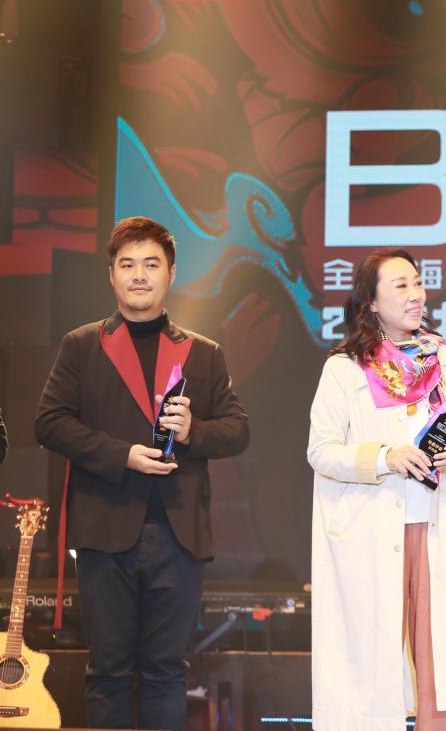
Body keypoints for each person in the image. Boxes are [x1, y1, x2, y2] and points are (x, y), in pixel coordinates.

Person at [34, 216, 249, 730]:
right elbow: (49, 422)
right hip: (104, 531)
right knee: (108, 671)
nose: (138, 276)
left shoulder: (203, 352)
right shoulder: (82, 345)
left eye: (151, 265)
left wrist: (193, 430)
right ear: (110, 274)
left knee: (166, 673)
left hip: (178, 535)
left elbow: (238, 431)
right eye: (127, 265)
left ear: (171, 273)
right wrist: (121, 455)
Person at [307, 248, 446, 730]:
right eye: (401, 286)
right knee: (372, 665)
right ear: (371, 302)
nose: (415, 294)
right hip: (371, 528)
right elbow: (321, 451)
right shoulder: (345, 366)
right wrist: (385, 457)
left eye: (417, 283)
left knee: (436, 660)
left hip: (433, 523)